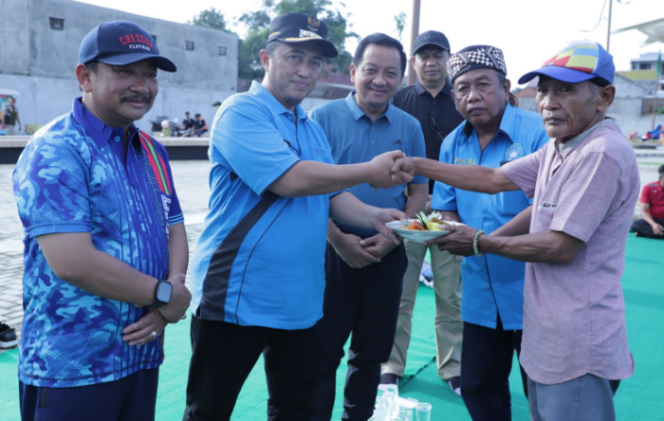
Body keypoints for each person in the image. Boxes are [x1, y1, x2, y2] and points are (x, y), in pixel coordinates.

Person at [392, 40, 636, 421]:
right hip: (539, 319)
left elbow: (559, 246)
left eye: (566, 90)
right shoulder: (563, 145)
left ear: (603, 97)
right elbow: (492, 178)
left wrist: (481, 242)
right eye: (543, 90)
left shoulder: (598, 152)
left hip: (574, 332)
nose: (549, 102)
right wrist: (416, 165)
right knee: (487, 389)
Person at [182, 14, 409, 421]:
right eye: (295, 57)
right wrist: (368, 171)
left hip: (300, 303)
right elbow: (291, 180)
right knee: (209, 411)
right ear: (266, 57)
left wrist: (380, 216)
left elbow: (332, 196)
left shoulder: (310, 126)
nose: (306, 71)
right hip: (237, 299)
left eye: (315, 62)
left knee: (296, 411)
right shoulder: (242, 112)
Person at [12, 20, 191, 421]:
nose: (141, 85)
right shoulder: (57, 150)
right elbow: (74, 262)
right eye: (125, 71)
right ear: (85, 77)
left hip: (140, 354)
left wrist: (172, 290)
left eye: (149, 75)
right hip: (73, 369)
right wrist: (164, 295)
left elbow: (174, 227)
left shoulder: (151, 150)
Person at [309, 33, 429, 420]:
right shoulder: (321, 120)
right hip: (330, 250)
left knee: (372, 355)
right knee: (322, 352)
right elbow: (309, 189)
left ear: (401, 78)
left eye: (391, 73)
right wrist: (337, 238)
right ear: (353, 71)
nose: (380, 80)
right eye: (371, 70)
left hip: (388, 250)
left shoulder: (410, 127)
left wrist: (395, 237)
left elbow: (418, 194)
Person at [380, 30, 466, 395]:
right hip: (409, 210)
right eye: (423, 56)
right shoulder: (398, 100)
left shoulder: (462, 99)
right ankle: (391, 365)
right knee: (400, 294)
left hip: (451, 213)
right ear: (413, 62)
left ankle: (454, 368)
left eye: (438, 55)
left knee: (451, 295)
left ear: (448, 58)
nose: (431, 62)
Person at [631, 164, 664, 239]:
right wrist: (653, 224)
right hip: (653, 220)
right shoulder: (648, 188)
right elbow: (644, 211)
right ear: (660, 178)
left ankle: (652, 234)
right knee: (636, 225)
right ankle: (657, 232)